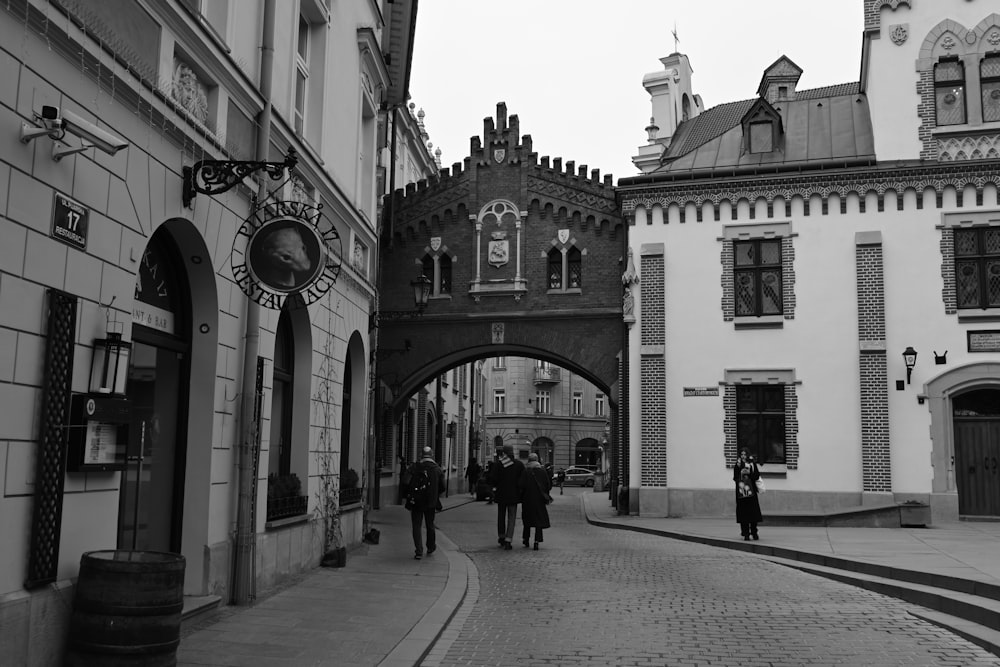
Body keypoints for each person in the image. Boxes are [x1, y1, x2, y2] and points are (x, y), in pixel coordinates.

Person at [405, 447, 445, 560]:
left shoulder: (414, 467)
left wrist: (410, 494)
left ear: (421, 455)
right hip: (431, 501)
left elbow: (405, 481)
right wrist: (435, 494)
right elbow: (443, 487)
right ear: (431, 455)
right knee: (430, 524)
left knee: (416, 526)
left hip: (416, 501)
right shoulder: (437, 469)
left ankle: (419, 551)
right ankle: (431, 546)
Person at [487, 444, 524, 550]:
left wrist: (495, 488)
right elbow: (522, 481)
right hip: (513, 496)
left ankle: (501, 536)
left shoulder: (499, 464)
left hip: (501, 495)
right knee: (512, 518)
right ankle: (508, 539)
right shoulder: (519, 465)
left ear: (504, 453)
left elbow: (493, 479)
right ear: (512, 452)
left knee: (501, 516)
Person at [518, 453, 552, 550]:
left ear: (529, 460)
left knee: (527, 520)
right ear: (537, 460)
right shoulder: (542, 471)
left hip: (527, 499)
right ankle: (537, 541)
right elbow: (548, 485)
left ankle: (526, 539)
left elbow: (521, 485)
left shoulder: (526, 471)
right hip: (539, 500)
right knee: (538, 520)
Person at [733, 448, 762, 541]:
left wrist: (749, 473)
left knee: (753, 513)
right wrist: (741, 475)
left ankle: (754, 532)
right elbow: (735, 478)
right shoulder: (737, 465)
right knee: (743, 513)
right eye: (741, 454)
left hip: (751, 492)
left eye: (745, 454)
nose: (743, 456)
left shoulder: (752, 465)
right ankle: (745, 533)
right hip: (742, 492)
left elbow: (757, 476)